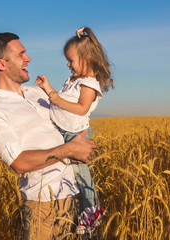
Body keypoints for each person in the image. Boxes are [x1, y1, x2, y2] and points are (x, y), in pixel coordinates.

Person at [0, 32, 97, 240]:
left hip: (76, 195)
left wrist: (83, 146)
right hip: (44, 205)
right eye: (21, 54)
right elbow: (18, 163)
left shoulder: (39, 93)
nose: (28, 58)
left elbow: (71, 124)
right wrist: (70, 150)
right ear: (1, 64)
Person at [35, 26, 114, 235]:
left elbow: (81, 109)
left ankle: (92, 209)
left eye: (71, 60)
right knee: (71, 176)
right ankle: (81, 210)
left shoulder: (89, 83)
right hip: (63, 132)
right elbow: (58, 103)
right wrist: (48, 88)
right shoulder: (73, 80)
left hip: (74, 134)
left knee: (81, 173)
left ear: (87, 58)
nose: (68, 64)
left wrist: (55, 98)